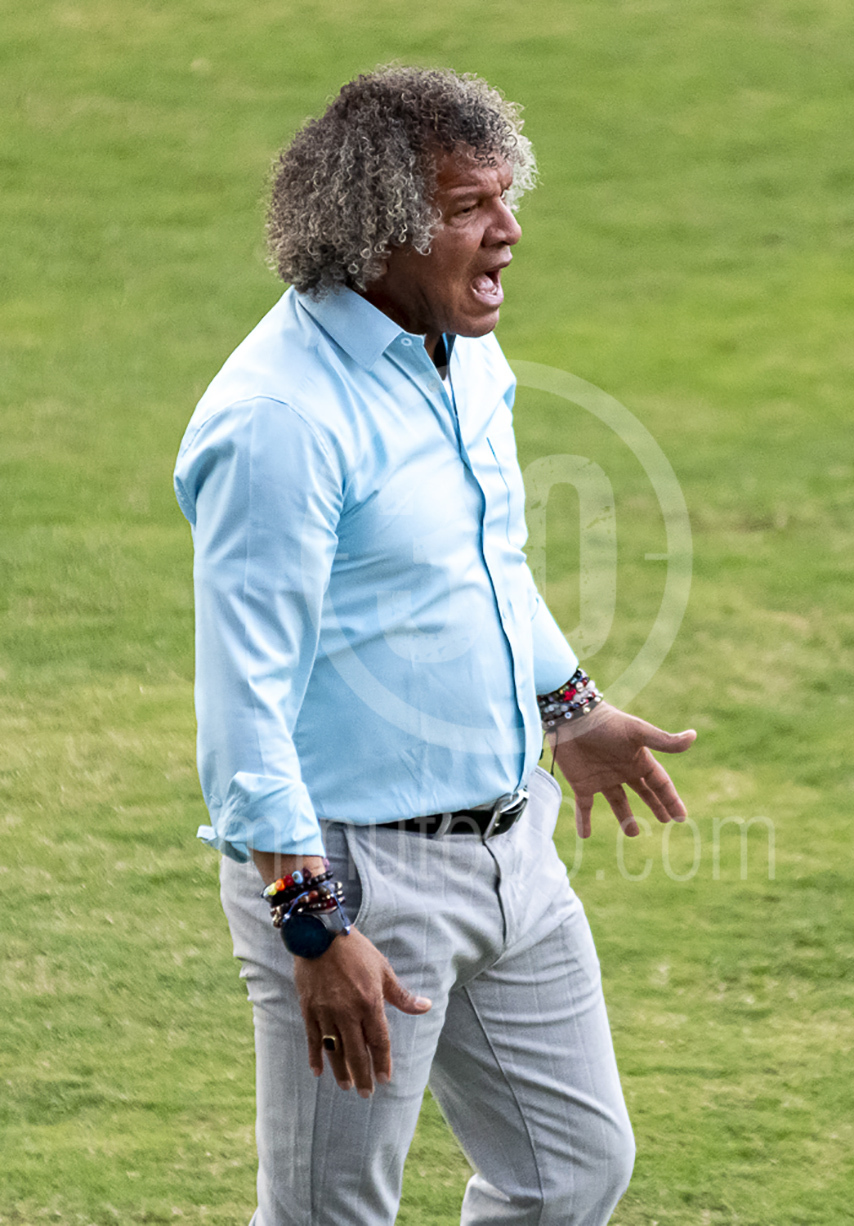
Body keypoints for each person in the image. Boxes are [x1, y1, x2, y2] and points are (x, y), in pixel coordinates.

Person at [173, 65, 696, 1226]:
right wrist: (311, 920)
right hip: (355, 877)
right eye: (468, 208)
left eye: (505, 197)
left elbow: (484, 561)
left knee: (571, 1171)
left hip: (513, 848)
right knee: (328, 1213)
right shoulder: (279, 423)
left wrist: (570, 706)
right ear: (375, 231)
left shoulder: (455, 349)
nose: (508, 231)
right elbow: (243, 701)